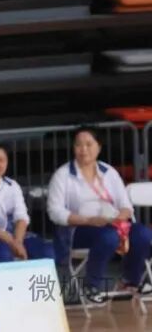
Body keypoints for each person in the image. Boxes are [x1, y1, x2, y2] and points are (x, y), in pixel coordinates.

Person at [47, 126, 152, 305]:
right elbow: (55, 212)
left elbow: (125, 205)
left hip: (112, 224)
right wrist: (88, 220)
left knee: (142, 233)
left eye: (89, 144)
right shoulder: (63, 175)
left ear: (99, 147)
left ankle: (130, 281)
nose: (83, 149)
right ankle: (92, 285)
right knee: (109, 236)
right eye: (79, 145)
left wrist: (120, 218)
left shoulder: (108, 172)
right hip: (78, 230)